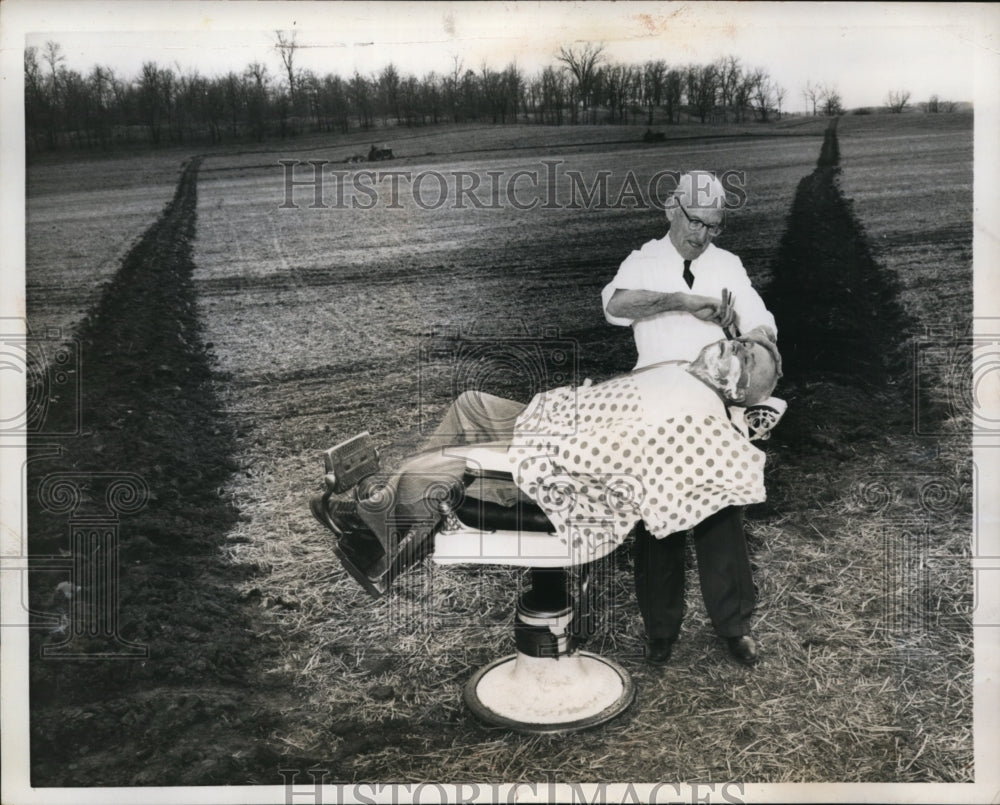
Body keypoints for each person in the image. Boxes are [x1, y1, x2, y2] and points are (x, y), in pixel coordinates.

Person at [310, 336, 782, 667]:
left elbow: (647, 482)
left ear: (739, 387)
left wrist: (547, 447)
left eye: (746, 356)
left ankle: (377, 531)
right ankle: (393, 527)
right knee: (470, 404)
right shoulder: (682, 373)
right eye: (741, 341)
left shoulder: (697, 416)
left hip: (562, 471)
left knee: (442, 469)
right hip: (545, 427)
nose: (735, 346)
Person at [600, 170, 778, 666]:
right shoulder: (644, 260)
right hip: (654, 402)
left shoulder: (727, 265)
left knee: (721, 512)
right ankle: (661, 630)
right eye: (695, 221)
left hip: (708, 403)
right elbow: (615, 306)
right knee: (659, 518)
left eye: (713, 226)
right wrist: (680, 302)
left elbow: (759, 315)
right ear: (671, 210)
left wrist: (756, 340)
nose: (701, 235)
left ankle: (734, 627)